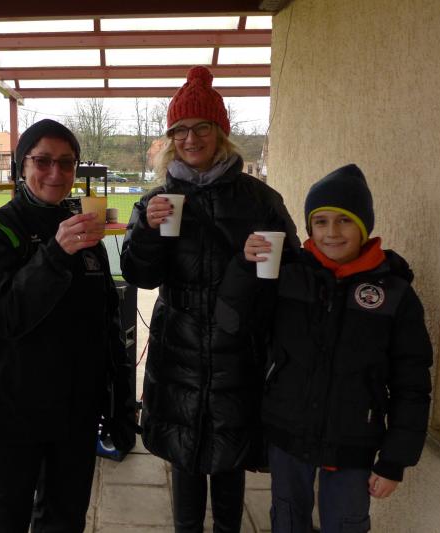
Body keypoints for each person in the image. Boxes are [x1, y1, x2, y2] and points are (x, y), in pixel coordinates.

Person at [121, 65, 299, 533]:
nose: (190, 139)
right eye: (180, 130)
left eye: (201, 128)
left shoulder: (260, 199)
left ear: (221, 133)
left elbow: (291, 271)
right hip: (177, 349)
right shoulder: (157, 200)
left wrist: (257, 264)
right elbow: (140, 275)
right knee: (183, 456)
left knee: (228, 460)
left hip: (237, 350)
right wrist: (146, 231)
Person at [234, 164, 433, 533]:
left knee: (345, 523)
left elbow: (412, 384)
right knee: (287, 519)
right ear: (310, 228)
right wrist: (246, 269)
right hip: (288, 432)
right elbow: (237, 323)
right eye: (321, 221)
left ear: (364, 226)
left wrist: (394, 461)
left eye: (344, 221)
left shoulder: (394, 294)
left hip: (353, 441)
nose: (332, 232)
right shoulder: (288, 275)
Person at [0, 119, 134, 532]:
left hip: (76, 409)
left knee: (65, 518)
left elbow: (106, 322)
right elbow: (2, 318)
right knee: (4, 520)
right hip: (15, 406)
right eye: (43, 161)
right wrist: (55, 255)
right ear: (22, 166)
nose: (56, 173)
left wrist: (119, 402)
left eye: (66, 162)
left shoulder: (85, 233)